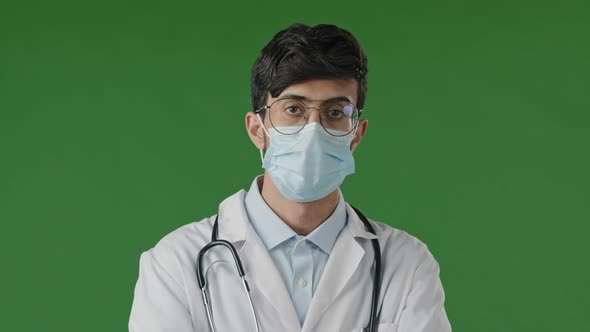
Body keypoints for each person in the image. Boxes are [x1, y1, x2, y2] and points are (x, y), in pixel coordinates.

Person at [129, 23, 452, 332]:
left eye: (335, 112)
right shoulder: (174, 263)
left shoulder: (406, 264)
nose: (313, 129)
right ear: (257, 129)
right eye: (294, 109)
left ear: (356, 135)